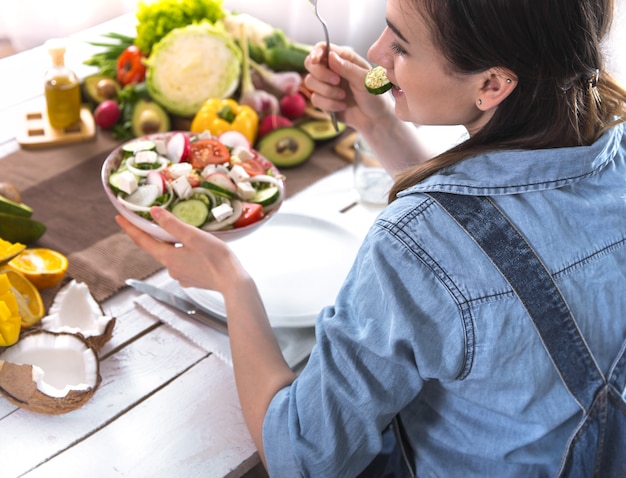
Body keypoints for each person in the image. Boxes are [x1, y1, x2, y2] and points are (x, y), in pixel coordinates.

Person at [116, 0, 626, 475]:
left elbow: (301, 456)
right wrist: (376, 123)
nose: (377, 53)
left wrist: (231, 283)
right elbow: (499, 249)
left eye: (401, 47)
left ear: (492, 85)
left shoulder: (411, 241)